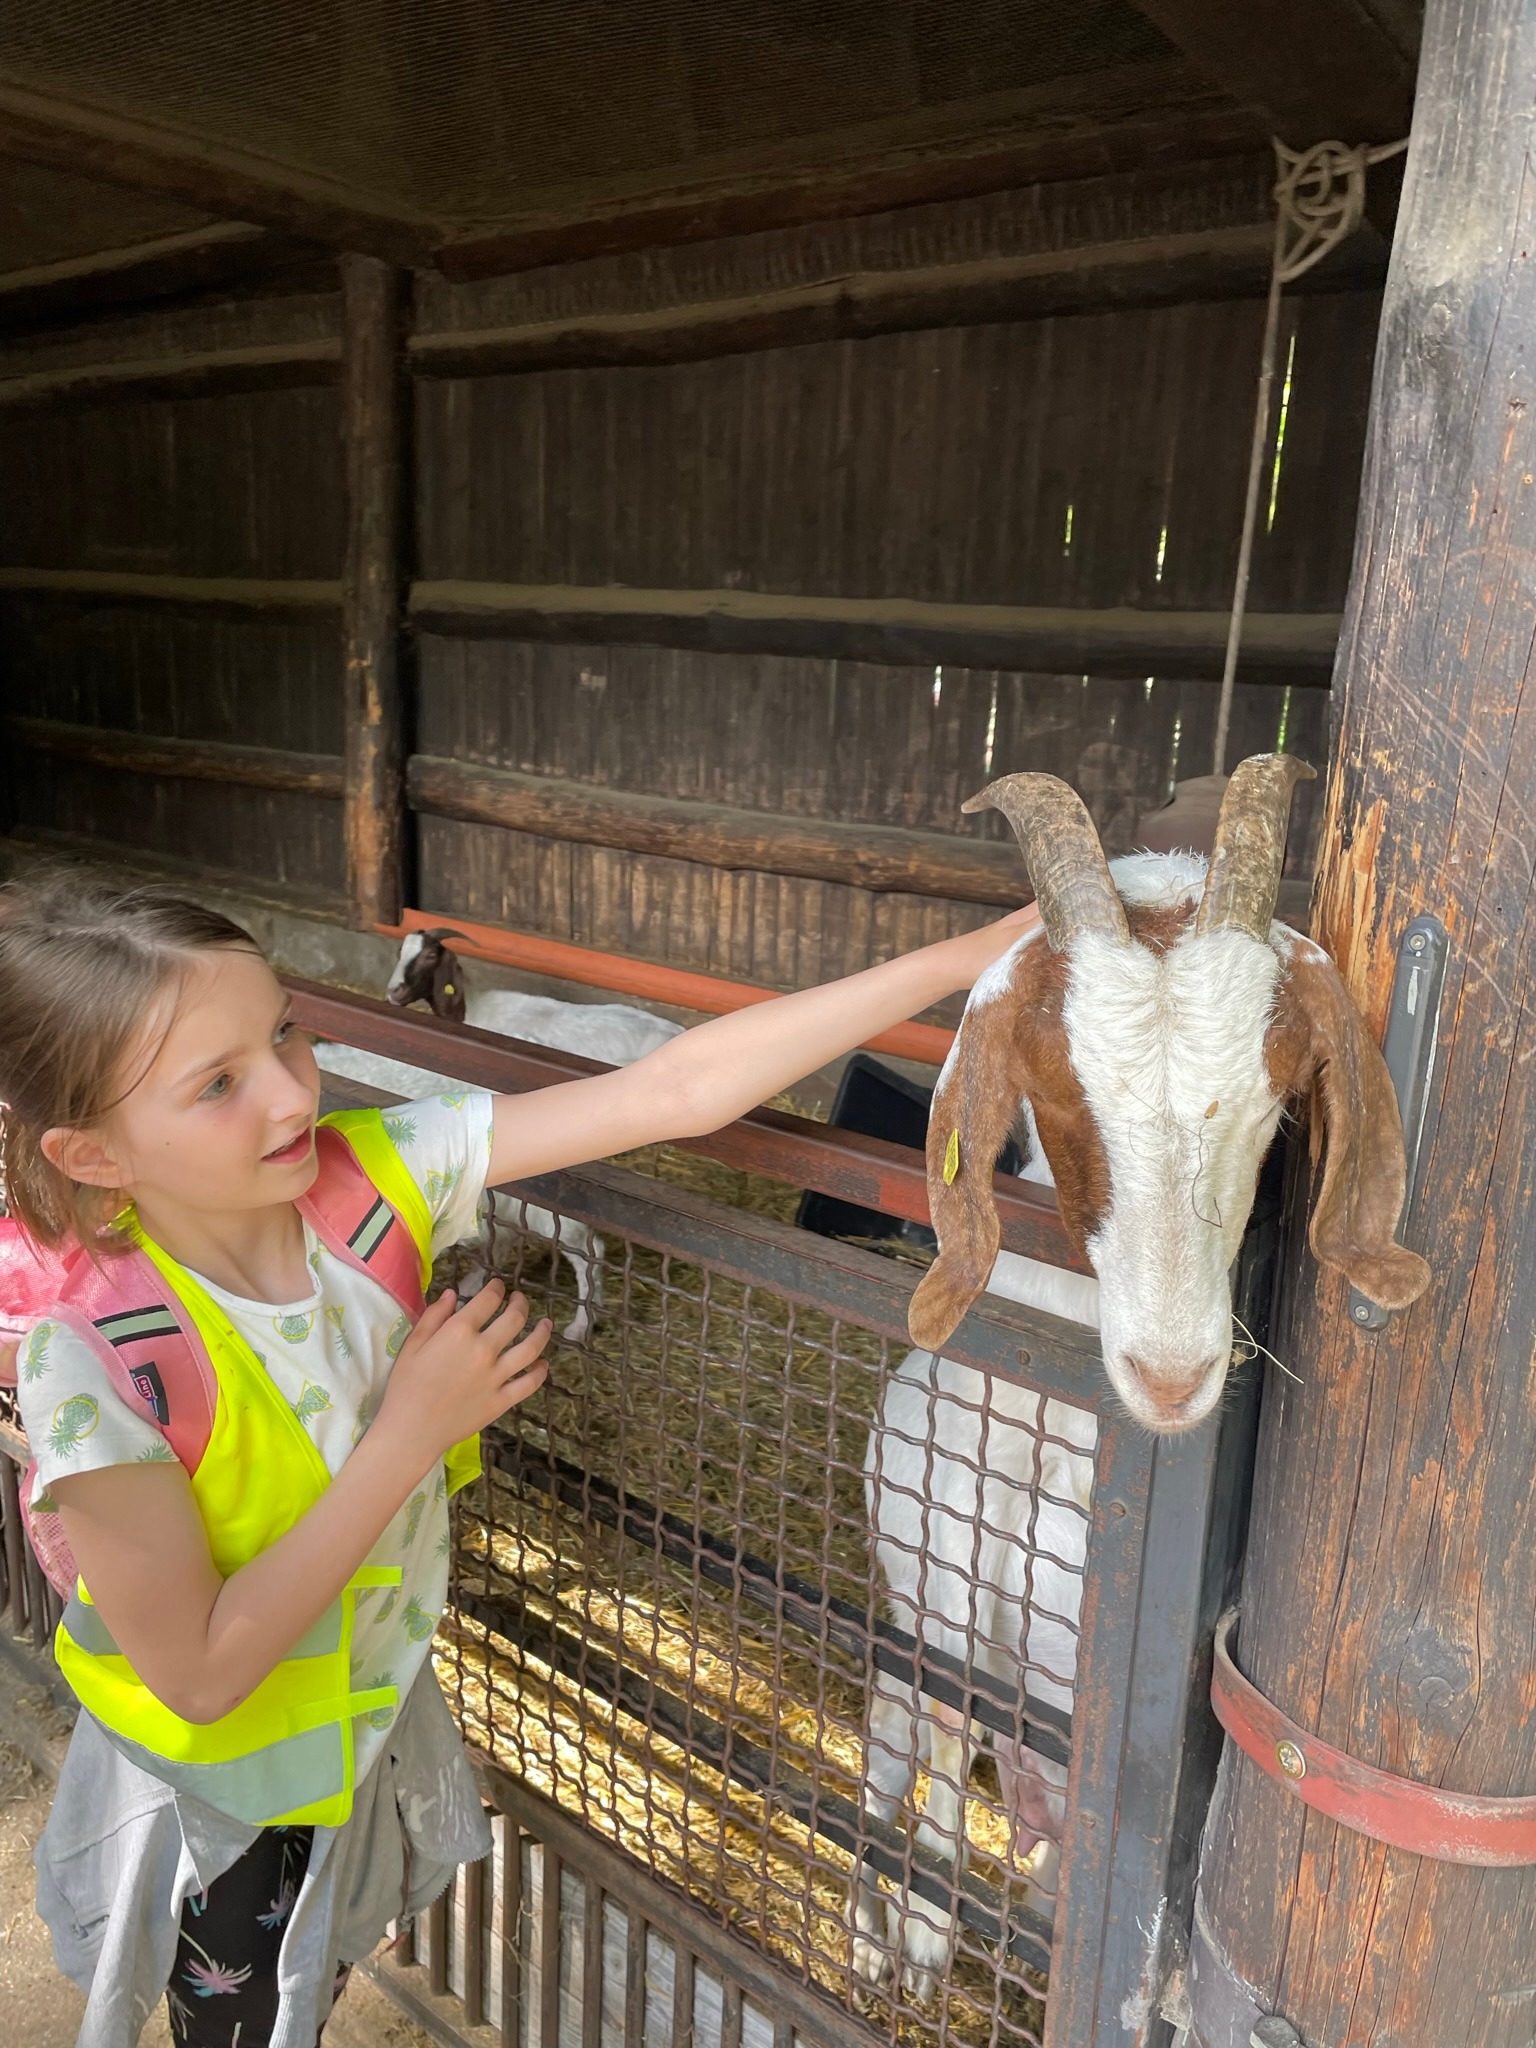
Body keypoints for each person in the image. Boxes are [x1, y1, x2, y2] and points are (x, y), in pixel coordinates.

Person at [0, 869, 1039, 2048]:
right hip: (221, 1791)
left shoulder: (369, 1179)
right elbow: (198, 1673)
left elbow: (677, 1087)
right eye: (220, 1083)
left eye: (286, 1028)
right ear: (92, 1156)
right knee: (233, 2017)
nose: (295, 1088)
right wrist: (411, 1432)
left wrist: (955, 964)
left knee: (313, 1980)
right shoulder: (97, 1369)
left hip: (367, 1712)